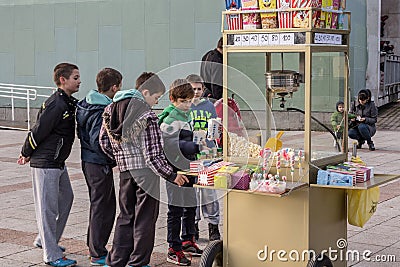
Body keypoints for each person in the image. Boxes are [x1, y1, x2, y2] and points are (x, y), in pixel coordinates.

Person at [99, 72, 188, 267]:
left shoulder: (110, 109)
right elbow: (152, 156)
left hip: (125, 172)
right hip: (146, 175)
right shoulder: (147, 115)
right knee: (145, 220)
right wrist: (172, 175)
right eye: (155, 98)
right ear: (145, 92)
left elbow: (104, 142)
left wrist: (120, 158)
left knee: (125, 217)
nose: (155, 103)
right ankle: (138, 262)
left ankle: (116, 261)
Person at [17, 63, 80, 267]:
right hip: (46, 163)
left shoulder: (67, 102)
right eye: (75, 77)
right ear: (63, 80)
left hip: (57, 161)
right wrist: (26, 152)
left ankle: (45, 240)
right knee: (48, 208)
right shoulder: (56, 104)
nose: (79, 81)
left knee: (67, 198)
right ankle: (51, 254)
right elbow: (38, 130)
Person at [76, 68, 122, 265]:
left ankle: (94, 247)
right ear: (114, 87)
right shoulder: (101, 109)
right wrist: (115, 158)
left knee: (101, 204)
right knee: (103, 206)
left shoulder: (85, 103)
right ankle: (97, 252)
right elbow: (99, 141)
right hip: (98, 162)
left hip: (90, 160)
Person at [158, 79, 203, 266]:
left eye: (189, 100)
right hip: (175, 170)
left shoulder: (187, 116)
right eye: (183, 101)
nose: (187, 104)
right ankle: (173, 247)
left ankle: (187, 238)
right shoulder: (169, 119)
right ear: (172, 99)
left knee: (191, 204)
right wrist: (194, 145)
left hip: (189, 167)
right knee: (175, 209)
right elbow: (171, 146)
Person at [186, 74, 221, 241]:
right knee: (194, 193)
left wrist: (217, 132)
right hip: (192, 155)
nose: (197, 92)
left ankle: (213, 226)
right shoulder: (184, 107)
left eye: (199, 89)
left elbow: (215, 128)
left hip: (207, 154)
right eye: (193, 89)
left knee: (209, 193)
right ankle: (193, 227)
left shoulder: (209, 106)